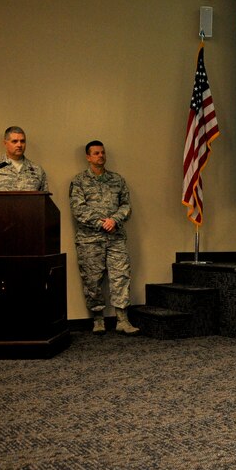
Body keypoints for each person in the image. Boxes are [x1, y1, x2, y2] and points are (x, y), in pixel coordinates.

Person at [69, 140, 139, 336]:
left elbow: (126, 205)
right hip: (89, 239)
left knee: (121, 276)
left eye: (102, 152)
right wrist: (101, 223)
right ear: (88, 157)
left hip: (115, 237)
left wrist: (114, 220)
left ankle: (122, 320)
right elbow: (78, 209)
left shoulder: (117, 180)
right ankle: (98, 319)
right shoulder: (79, 181)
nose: (100, 156)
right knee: (92, 280)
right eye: (96, 153)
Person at [0, 126, 49, 191]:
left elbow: (45, 200)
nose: (19, 145)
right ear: (5, 143)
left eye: (22, 141)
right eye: (15, 141)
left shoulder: (37, 170)